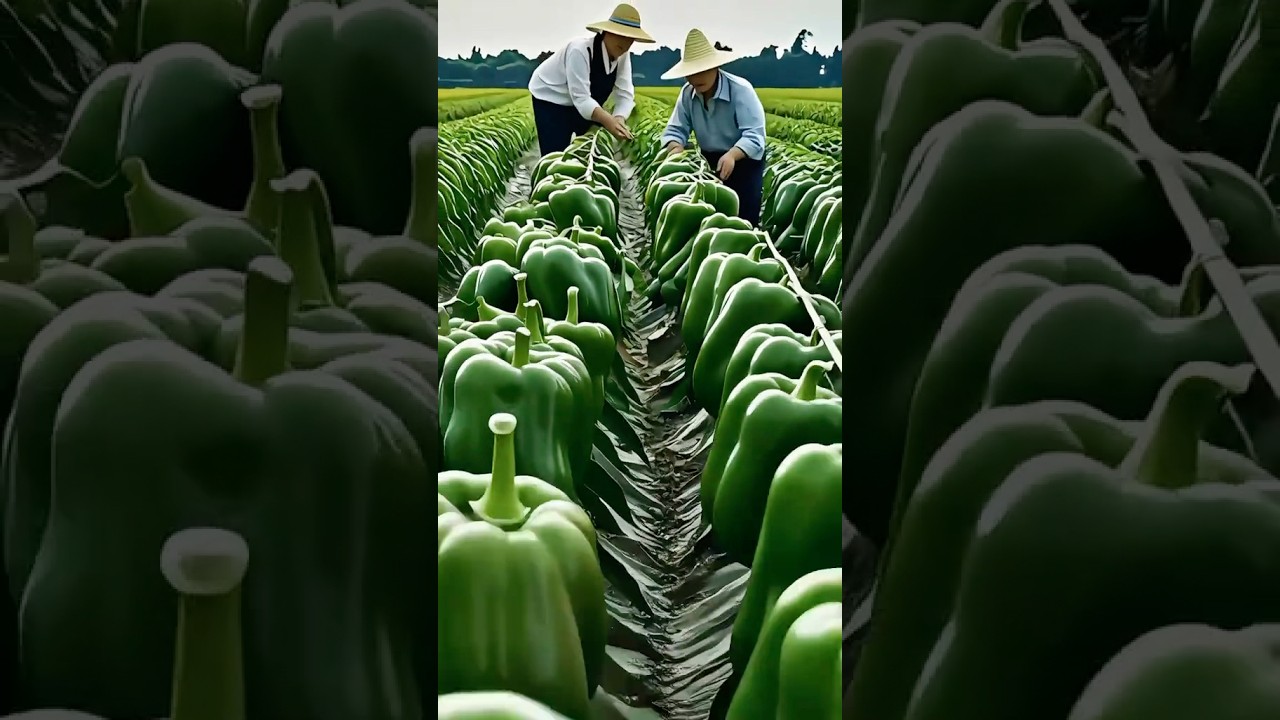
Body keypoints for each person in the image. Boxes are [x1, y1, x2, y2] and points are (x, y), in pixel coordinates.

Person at [658, 29, 768, 226]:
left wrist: (733, 155)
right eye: (691, 73)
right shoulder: (687, 94)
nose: (696, 78)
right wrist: (675, 148)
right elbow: (676, 130)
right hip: (710, 161)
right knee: (710, 220)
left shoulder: (740, 90)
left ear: (715, 67)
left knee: (743, 220)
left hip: (743, 162)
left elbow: (754, 134)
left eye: (702, 70)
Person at [528, 3, 654, 156]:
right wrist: (608, 121)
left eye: (630, 38)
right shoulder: (579, 50)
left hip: (582, 103)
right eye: (620, 35)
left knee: (589, 150)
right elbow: (581, 98)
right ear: (607, 32)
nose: (625, 43)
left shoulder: (622, 56)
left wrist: (619, 118)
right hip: (551, 99)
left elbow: (625, 94)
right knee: (554, 154)